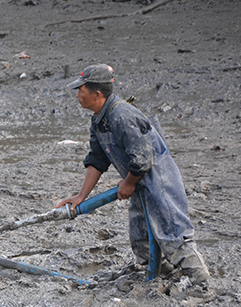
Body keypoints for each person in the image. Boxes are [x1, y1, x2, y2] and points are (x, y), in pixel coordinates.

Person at [56, 64, 210, 283]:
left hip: (159, 181)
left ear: (96, 94)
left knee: (173, 234)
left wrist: (128, 183)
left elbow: (143, 158)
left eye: (80, 90)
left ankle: (202, 284)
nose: (77, 95)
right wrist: (81, 196)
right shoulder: (99, 120)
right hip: (138, 183)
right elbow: (97, 160)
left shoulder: (121, 115)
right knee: (141, 238)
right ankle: (160, 275)